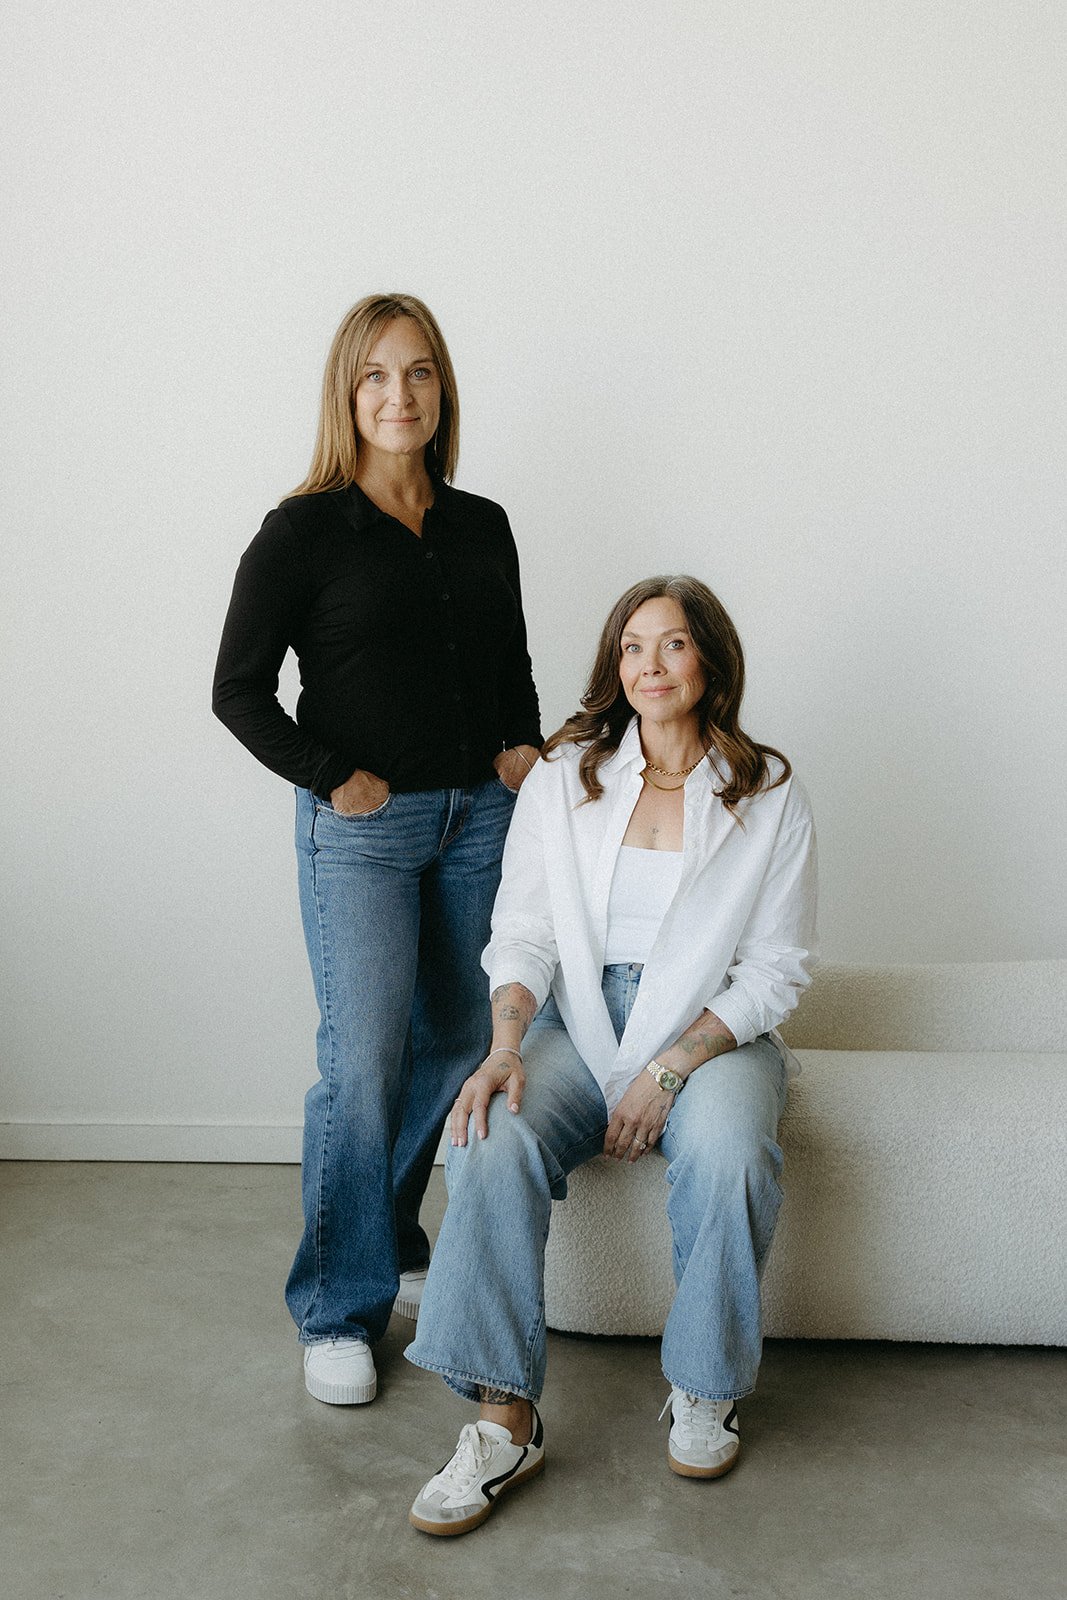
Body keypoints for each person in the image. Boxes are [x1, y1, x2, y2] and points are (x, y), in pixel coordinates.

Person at [404, 574, 816, 1534]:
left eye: (672, 644)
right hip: (576, 1025)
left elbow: (776, 970)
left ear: (708, 658)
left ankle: (704, 1389)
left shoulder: (767, 791)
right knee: (484, 1133)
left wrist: (671, 1067)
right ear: (614, 666)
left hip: (713, 1033)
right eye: (632, 647)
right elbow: (524, 932)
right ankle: (503, 1422)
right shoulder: (564, 779)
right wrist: (505, 1045)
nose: (650, 665)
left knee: (730, 1152)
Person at [212, 294, 541, 1407]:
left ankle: (390, 1233)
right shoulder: (302, 530)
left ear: (441, 389)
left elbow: (511, 661)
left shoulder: (481, 522)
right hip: (360, 831)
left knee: (452, 1045)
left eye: (418, 374)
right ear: (346, 395)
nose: (398, 396)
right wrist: (329, 778)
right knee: (362, 1066)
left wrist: (522, 749)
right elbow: (237, 691)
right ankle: (337, 1305)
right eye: (375, 377)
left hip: (476, 822)